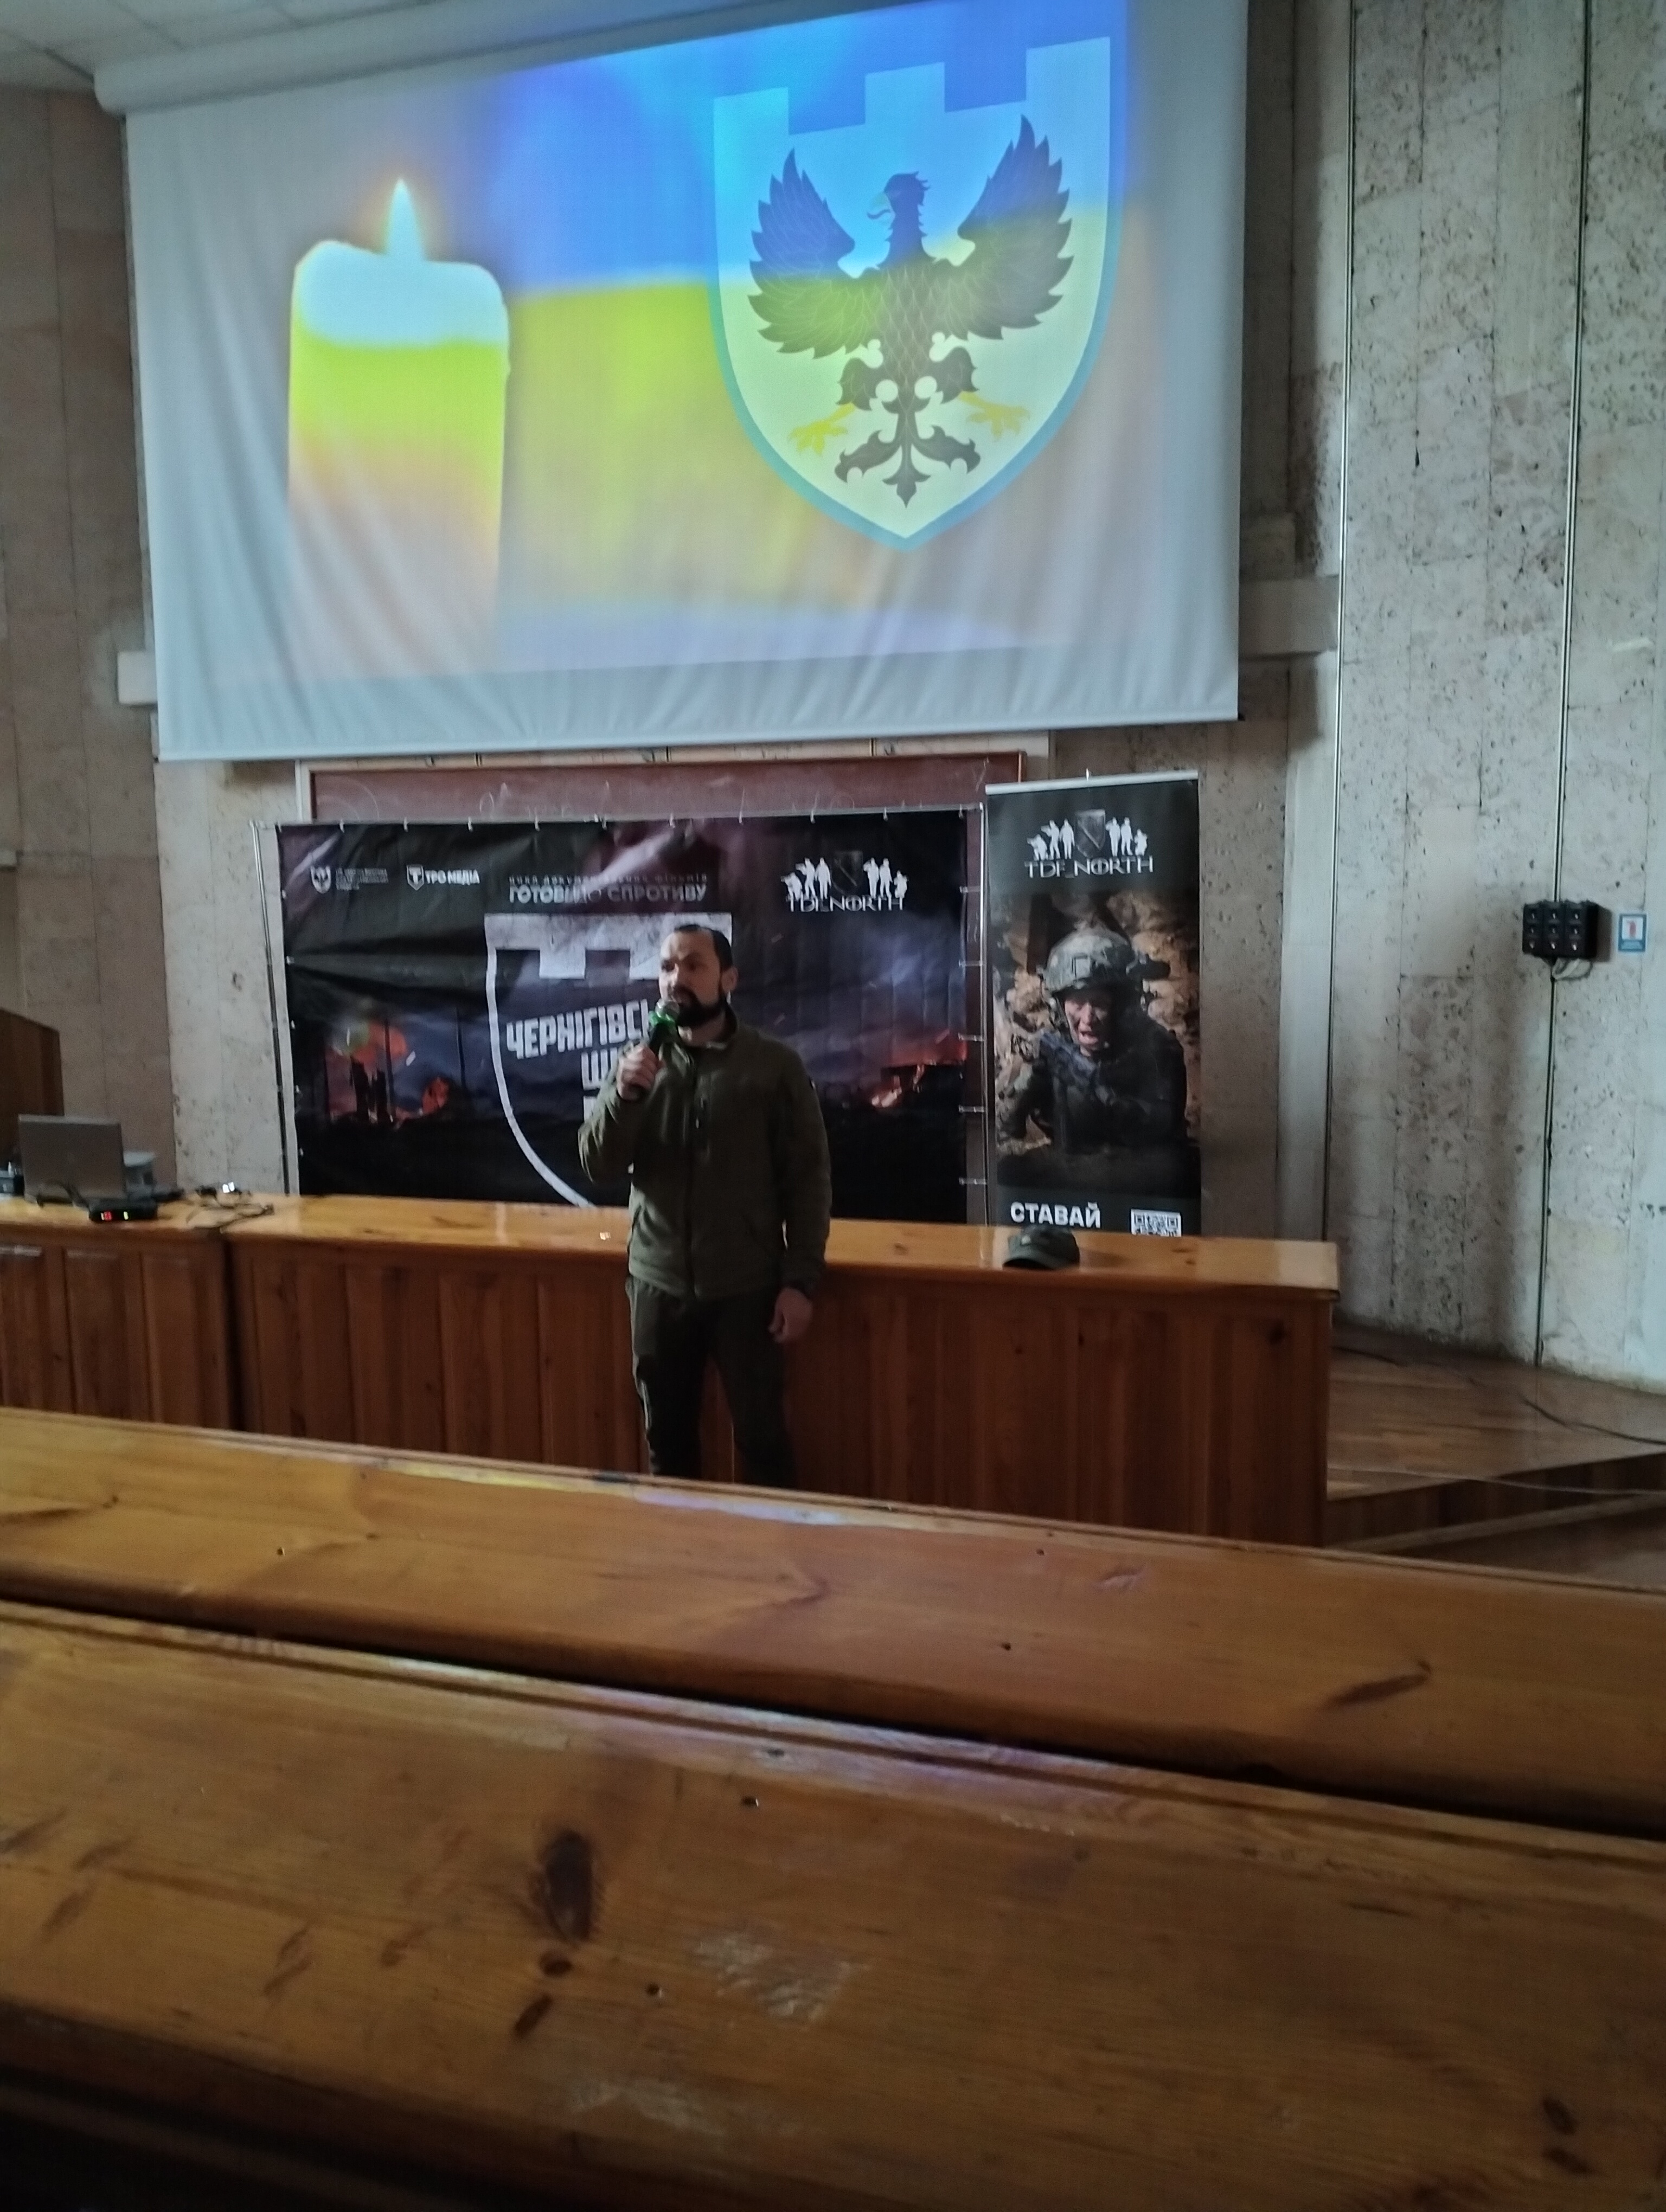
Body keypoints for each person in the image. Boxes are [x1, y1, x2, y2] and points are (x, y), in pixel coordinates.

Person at [578, 922, 831, 1487]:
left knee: (764, 1443)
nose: (677, 979)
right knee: (667, 1446)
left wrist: (801, 1281)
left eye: (694, 965)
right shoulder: (637, 1064)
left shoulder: (772, 1067)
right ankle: (680, 1547)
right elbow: (597, 1164)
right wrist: (625, 1097)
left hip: (747, 1290)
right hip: (657, 1287)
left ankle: (772, 1547)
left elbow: (808, 1181)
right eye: (667, 967)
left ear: (728, 979)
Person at [998, 922, 1187, 1154]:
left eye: (1100, 1003)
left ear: (1122, 1006)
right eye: (1077, 1003)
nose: (1088, 1018)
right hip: (1073, 1170)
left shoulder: (1157, 1049)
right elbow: (1006, 1128)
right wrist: (1028, 1084)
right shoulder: (1053, 1051)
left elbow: (1161, 1130)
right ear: (1059, 1007)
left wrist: (1097, 1088)